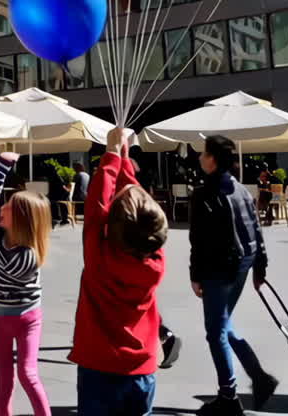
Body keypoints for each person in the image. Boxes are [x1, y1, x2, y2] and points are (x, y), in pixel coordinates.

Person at [70, 127, 168, 416]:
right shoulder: (155, 263)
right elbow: (109, 210)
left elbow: (94, 207)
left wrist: (113, 155)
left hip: (99, 365)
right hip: (141, 367)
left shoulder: (99, 258)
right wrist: (119, 157)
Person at [190, 136, 277, 416]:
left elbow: (198, 241)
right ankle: (259, 378)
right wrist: (260, 266)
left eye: (204, 153)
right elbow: (256, 228)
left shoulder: (204, 194)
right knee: (223, 323)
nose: (201, 158)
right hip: (243, 265)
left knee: (215, 333)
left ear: (212, 159)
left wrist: (196, 275)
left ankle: (228, 397)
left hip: (219, 270)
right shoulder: (240, 189)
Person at [0, 153, 52, 416]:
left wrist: (1, 166)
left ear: (17, 219)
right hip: (27, 314)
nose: (0, 206)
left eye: (6, 206)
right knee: (25, 374)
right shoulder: (33, 252)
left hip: (3, 316)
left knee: (9, 375)